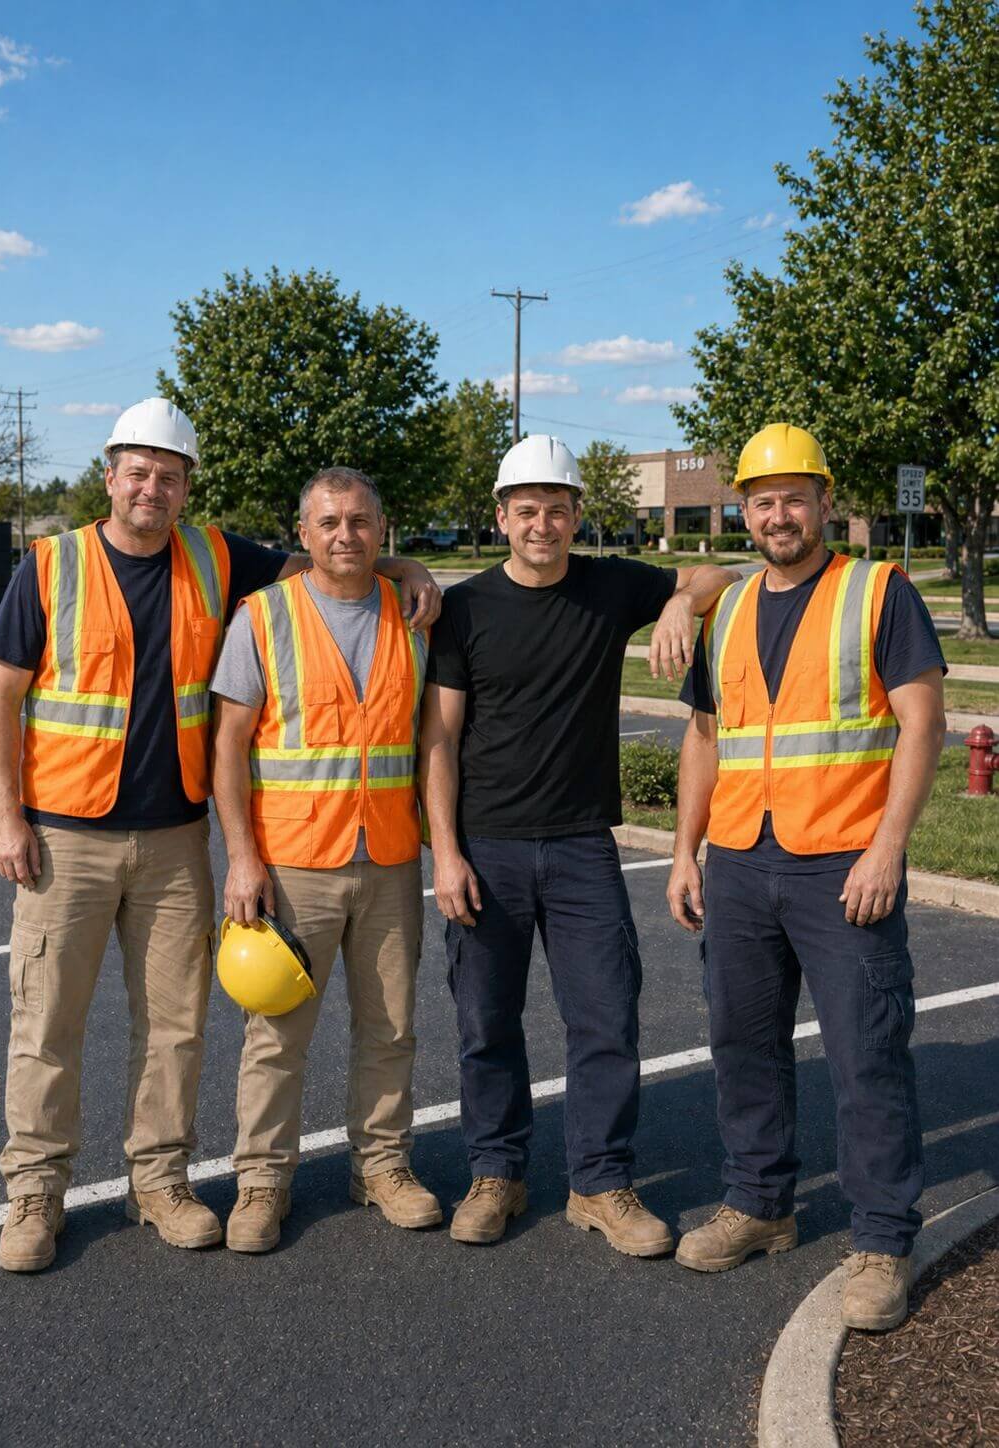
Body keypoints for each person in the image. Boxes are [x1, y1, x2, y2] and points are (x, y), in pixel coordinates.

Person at [0, 400, 440, 1273]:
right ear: (109, 475)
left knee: (176, 1027)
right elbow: (1, 696)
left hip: (175, 840)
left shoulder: (217, 556)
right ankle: (34, 1194)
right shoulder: (53, 564)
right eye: (138, 471)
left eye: (169, 474)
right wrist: (7, 814)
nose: (152, 486)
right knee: (47, 1024)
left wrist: (408, 562)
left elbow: (328, 557)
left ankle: (159, 1183)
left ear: (188, 486)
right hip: (64, 838)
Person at [419, 434, 737, 1251]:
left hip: (582, 848)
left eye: (557, 510)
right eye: (526, 510)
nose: (542, 525)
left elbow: (718, 576)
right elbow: (440, 740)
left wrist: (676, 602)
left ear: (576, 516)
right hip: (486, 845)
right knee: (486, 1022)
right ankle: (498, 1174)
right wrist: (444, 852)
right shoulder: (466, 609)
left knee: (606, 1018)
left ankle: (600, 1183)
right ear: (502, 515)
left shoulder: (612, 585)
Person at [667, 423, 946, 1332]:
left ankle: (880, 1239)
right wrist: (684, 850)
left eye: (794, 497)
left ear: (826, 502)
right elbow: (706, 739)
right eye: (761, 499)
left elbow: (922, 723)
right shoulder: (734, 606)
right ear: (741, 510)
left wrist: (888, 845)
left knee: (866, 1054)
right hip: (743, 861)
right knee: (743, 1045)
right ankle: (760, 1205)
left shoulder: (879, 592)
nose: (777, 514)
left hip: (843, 861)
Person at [210, 465, 440, 1253]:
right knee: (276, 1034)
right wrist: (242, 859)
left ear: (383, 531)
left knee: (392, 1026)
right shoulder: (263, 617)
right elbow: (228, 747)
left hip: (389, 858)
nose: (347, 535)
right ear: (302, 536)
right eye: (330, 523)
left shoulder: (413, 614)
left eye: (361, 522)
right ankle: (261, 1184)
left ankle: (382, 1167)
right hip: (290, 863)